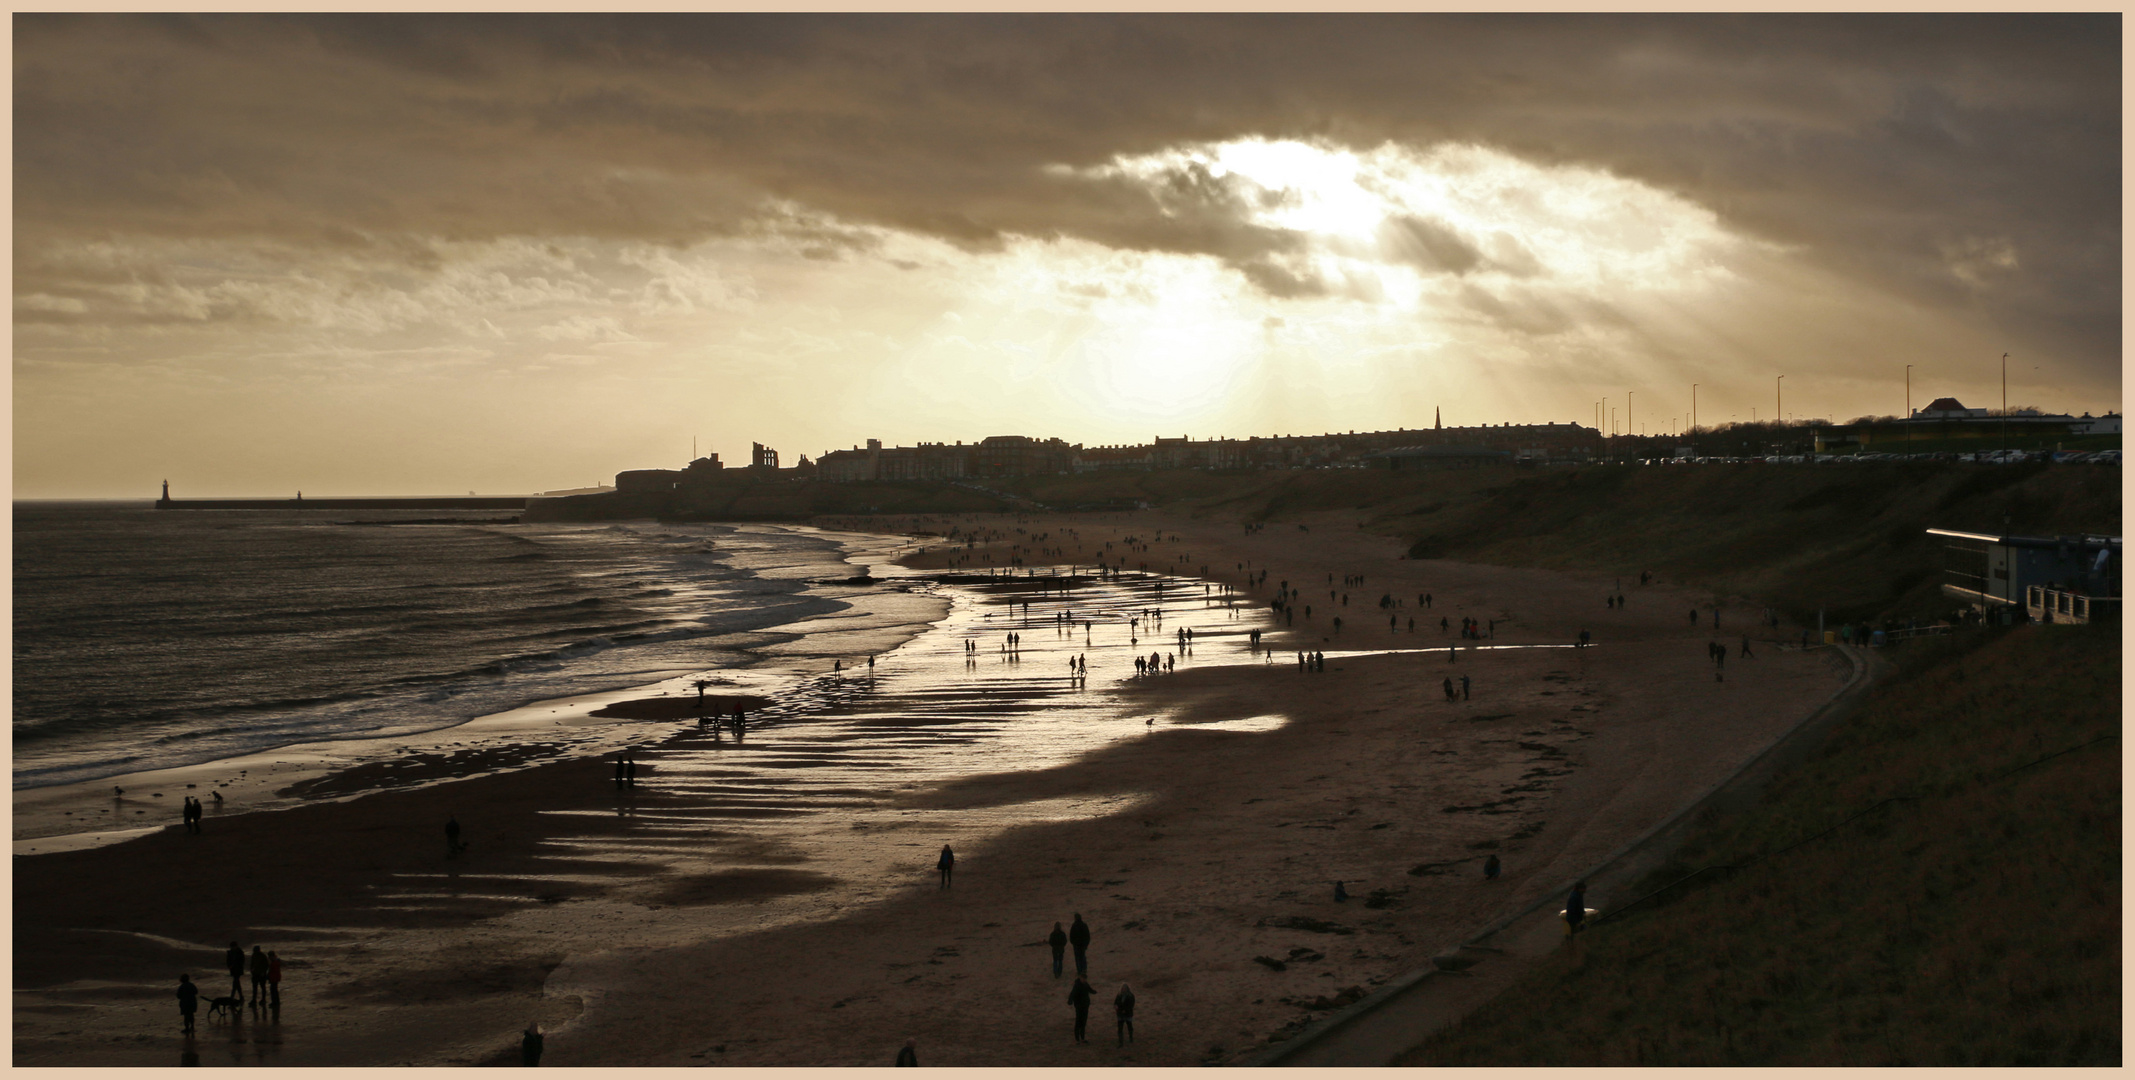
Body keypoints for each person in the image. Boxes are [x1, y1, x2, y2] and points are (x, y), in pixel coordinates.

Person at [1068, 976, 1095, 1044]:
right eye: (1083, 978)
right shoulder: (1077, 985)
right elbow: (1072, 994)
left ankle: (1082, 1038)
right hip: (1079, 1006)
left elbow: (1090, 989)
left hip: (1085, 1006)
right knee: (1078, 1022)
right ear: (1080, 978)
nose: (1084, 980)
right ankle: (1077, 1039)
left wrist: (1094, 992)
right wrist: (1070, 1000)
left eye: (1085, 979)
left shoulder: (1085, 984)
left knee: (1083, 1022)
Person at [1069, 913, 1092, 977]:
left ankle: (1079, 970)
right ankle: (1084, 970)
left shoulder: (1074, 926)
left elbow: (1071, 936)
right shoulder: (1084, 925)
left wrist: (1073, 943)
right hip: (1082, 945)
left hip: (1076, 945)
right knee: (1083, 957)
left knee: (1078, 958)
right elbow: (1088, 936)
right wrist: (1086, 944)